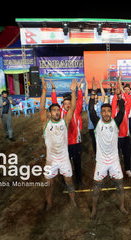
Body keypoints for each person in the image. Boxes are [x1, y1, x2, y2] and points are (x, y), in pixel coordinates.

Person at [88, 84, 128, 218]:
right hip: (101, 162)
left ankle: (122, 206)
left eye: (108, 111)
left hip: (114, 161)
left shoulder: (116, 122)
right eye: (103, 111)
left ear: (111, 112)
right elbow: (90, 109)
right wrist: (93, 92)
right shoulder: (97, 122)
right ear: (101, 113)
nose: (105, 113)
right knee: (96, 188)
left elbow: (122, 110)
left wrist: (119, 95)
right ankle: (94, 209)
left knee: (120, 186)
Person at [40, 77, 78, 211]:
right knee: (48, 184)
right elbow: (42, 107)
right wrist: (44, 91)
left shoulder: (64, 122)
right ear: (49, 113)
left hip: (64, 159)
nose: (57, 112)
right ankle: (49, 202)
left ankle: (73, 200)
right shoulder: (45, 123)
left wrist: (73, 92)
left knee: (69, 181)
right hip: (50, 160)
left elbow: (72, 108)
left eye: (58, 110)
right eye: (54, 110)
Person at [51, 79, 84, 186]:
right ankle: (64, 182)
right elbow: (54, 103)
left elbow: (80, 101)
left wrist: (78, 90)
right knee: (64, 164)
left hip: (76, 143)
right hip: (64, 144)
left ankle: (79, 180)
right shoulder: (60, 113)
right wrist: (53, 90)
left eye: (69, 103)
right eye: (66, 104)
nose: (68, 105)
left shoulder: (76, 111)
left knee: (77, 163)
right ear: (63, 105)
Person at [113, 75, 131, 177]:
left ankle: (127, 169)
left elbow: (129, 100)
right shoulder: (113, 110)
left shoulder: (126, 109)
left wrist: (122, 89)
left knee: (126, 155)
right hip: (116, 137)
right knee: (116, 155)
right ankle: (116, 170)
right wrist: (118, 84)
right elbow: (114, 98)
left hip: (126, 136)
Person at [84, 77, 104, 154]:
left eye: (96, 97)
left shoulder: (100, 103)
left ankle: (102, 154)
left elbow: (103, 95)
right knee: (94, 142)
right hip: (91, 127)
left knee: (101, 141)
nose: (95, 99)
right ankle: (96, 156)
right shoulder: (89, 104)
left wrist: (101, 85)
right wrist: (86, 85)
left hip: (100, 126)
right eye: (94, 97)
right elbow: (86, 96)